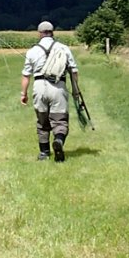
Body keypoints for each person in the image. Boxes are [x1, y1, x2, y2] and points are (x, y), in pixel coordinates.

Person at [20, 21, 81, 161]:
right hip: (58, 86)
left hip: (39, 87)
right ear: (52, 32)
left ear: (39, 33)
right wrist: (76, 90)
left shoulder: (32, 51)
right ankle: (58, 141)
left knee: (42, 121)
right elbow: (74, 71)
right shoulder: (64, 48)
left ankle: (44, 153)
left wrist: (23, 94)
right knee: (60, 121)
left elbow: (26, 75)